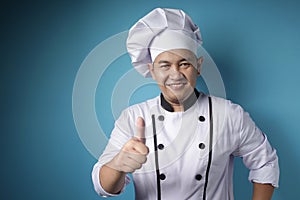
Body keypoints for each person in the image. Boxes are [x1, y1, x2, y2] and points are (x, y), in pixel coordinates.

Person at [92, 8, 279, 200]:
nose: (175, 74)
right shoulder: (133, 117)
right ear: (152, 70)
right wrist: (118, 165)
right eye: (165, 65)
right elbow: (103, 187)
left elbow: (265, 163)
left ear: (198, 66)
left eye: (184, 64)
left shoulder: (229, 114)